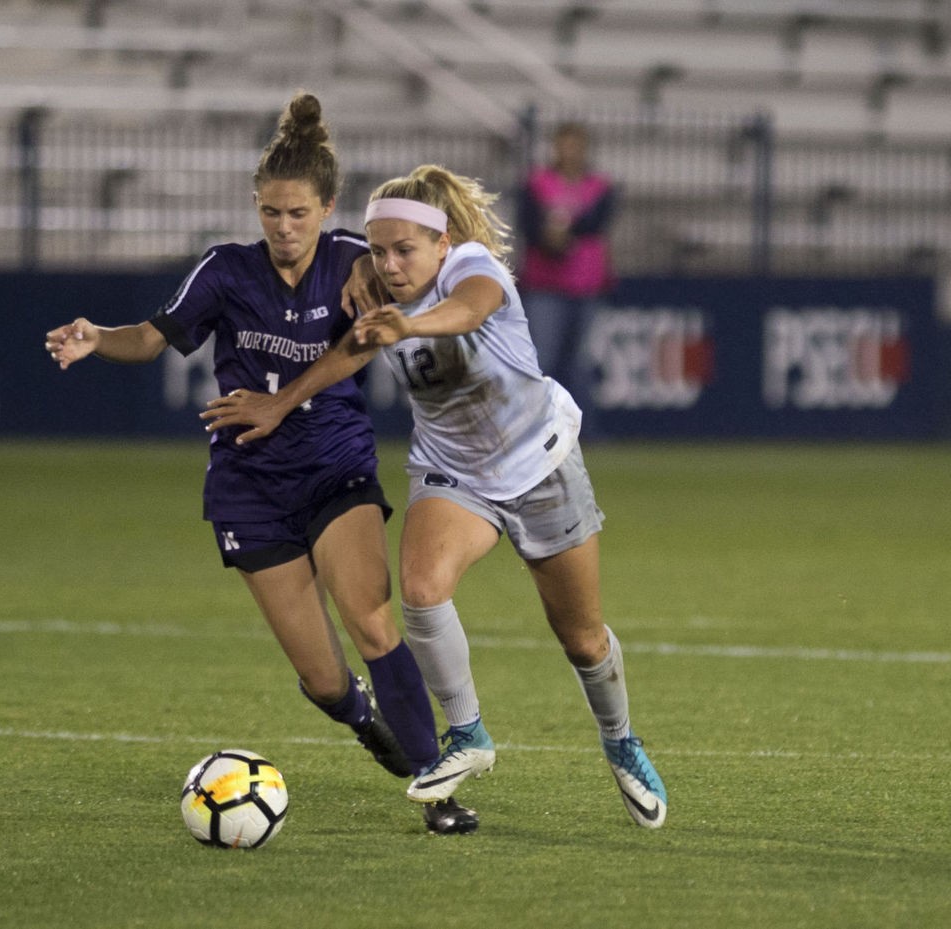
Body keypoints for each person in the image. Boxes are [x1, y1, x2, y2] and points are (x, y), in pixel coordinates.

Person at [42, 94, 478, 836]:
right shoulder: (224, 270)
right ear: (256, 207)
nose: (283, 228)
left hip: (334, 463)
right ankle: (365, 719)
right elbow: (153, 337)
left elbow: (395, 314)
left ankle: (436, 787)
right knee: (323, 677)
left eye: (299, 214)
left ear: (328, 206)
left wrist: (374, 292)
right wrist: (97, 336)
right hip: (248, 483)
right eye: (271, 213)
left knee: (371, 623)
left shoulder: (356, 263)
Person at [203, 164, 668, 830]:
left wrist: (409, 326)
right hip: (455, 472)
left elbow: (471, 308)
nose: (390, 264)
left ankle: (622, 741)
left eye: (404, 250)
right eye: (379, 250)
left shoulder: (470, 267)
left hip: (539, 464)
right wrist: (281, 402)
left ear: (440, 241)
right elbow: (351, 351)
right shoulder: (376, 286)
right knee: (421, 589)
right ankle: (468, 734)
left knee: (582, 637)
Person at [517, 121, 617, 408]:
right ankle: (536, 425)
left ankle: (582, 429)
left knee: (581, 362)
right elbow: (529, 225)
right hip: (544, 285)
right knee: (542, 359)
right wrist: (550, 238)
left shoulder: (599, 186)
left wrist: (565, 231)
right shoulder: (536, 183)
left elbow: (596, 223)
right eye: (565, 144)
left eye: (576, 145)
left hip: (587, 285)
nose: (570, 151)